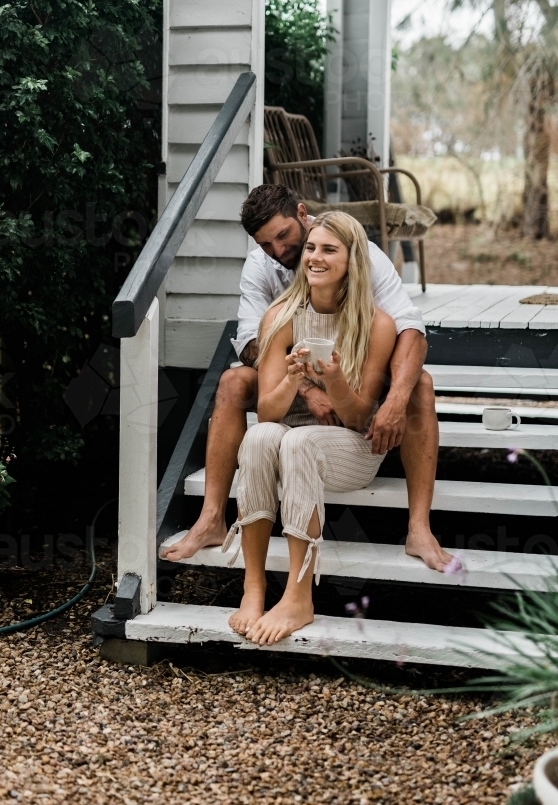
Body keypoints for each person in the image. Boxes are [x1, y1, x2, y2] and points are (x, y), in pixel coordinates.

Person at [162, 184, 450, 571]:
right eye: (266, 244)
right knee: (232, 382)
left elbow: (409, 326)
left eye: (283, 236)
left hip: (355, 365)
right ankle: (213, 518)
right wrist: (308, 386)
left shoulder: (349, 245)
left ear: (301, 214)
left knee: (420, 386)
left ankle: (418, 528)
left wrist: (395, 399)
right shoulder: (261, 268)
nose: (279, 251)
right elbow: (250, 342)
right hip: (288, 375)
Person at [225, 211, 396, 644]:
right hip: (290, 437)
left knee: (298, 440)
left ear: (352, 259)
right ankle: (254, 587)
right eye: (312, 248)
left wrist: (335, 380)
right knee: (262, 435)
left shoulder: (377, 324)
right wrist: (294, 378)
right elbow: (266, 413)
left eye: (329, 250)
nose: (315, 258)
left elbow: (360, 420)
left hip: (353, 448)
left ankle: (299, 596)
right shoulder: (280, 316)